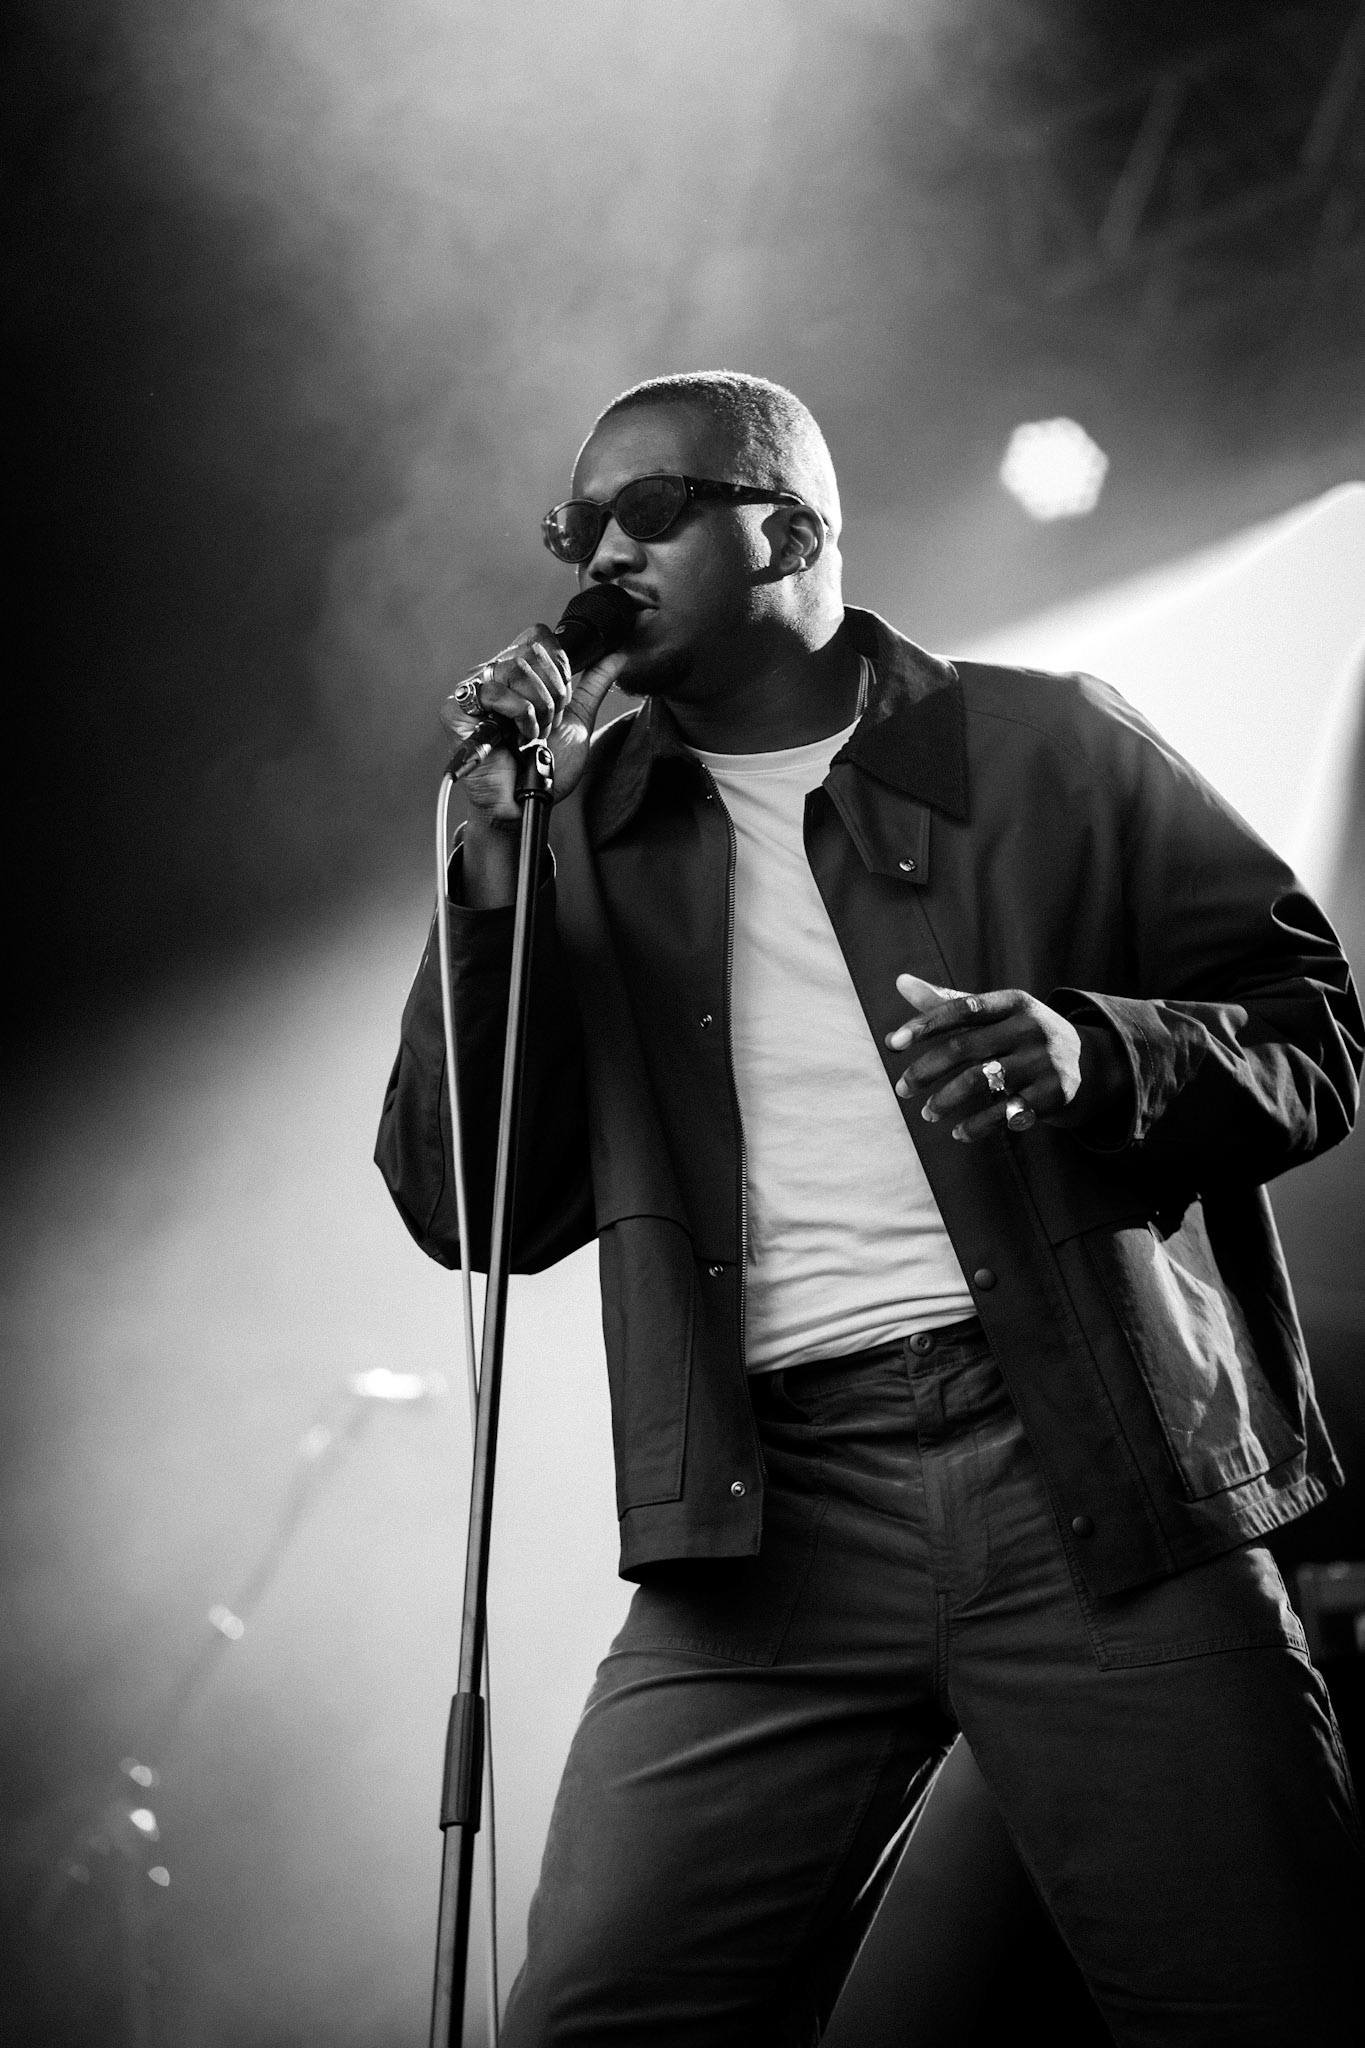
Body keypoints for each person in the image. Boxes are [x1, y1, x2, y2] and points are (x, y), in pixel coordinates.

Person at [376, 371, 1364, 2045]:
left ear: (797, 524)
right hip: (759, 1521)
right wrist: (486, 877)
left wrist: (1096, 1048)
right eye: (576, 526)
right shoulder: (577, 833)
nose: (600, 552)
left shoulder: (1042, 739)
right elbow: (472, 1203)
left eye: (652, 510)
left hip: (1081, 1468)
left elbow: (1317, 1031)